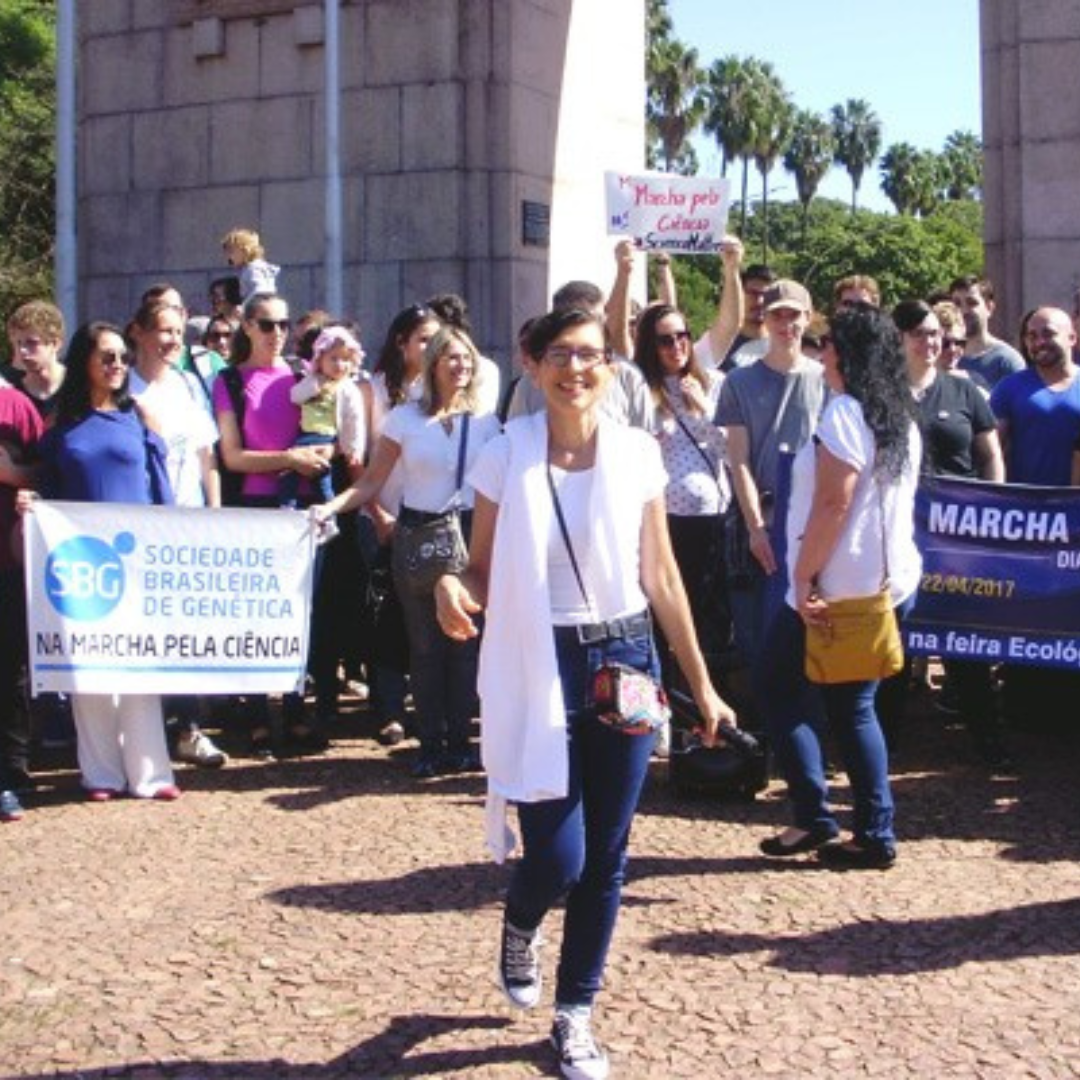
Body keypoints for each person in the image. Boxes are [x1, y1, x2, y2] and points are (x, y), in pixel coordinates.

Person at [434, 307, 736, 1080]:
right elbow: (479, 568)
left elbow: (661, 575)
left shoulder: (639, 452)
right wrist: (450, 585)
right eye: (562, 355)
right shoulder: (506, 455)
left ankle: (575, 1014)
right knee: (558, 854)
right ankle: (521, 919)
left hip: (625, 651)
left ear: (611, 367)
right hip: (539, 657)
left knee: (608, 854)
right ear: (533, 364)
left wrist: (702, 684)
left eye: (593, 355)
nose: (577, 369)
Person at [755, 304, 921, 870]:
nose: (821, 353)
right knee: (832, 698)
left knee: (826, 699)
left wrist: (802, 577)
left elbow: (834, 501)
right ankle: (825, 816)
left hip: (835, 584)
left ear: (845, 354)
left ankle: (864, 828)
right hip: (879, 580)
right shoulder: (898, 414)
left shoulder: (846, 414)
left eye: (828, 345)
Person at [319, 325, 500, 777]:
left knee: (463, 646)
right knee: (423, 647)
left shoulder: (486, 423)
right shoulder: (404, 420)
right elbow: (371, 481)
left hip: (467, 534)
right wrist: (329, 507)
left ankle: (461, 742)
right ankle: (430, 743)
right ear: (434, 363)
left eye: (467, 358)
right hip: (416, 536)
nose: (461, 366)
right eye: (451, 357)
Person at [34, 322, 180, 801]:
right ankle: (100, 772)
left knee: (139, 664)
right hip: (83, 562)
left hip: (136, 557)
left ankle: (151, 772)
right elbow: (49, 491)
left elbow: (161, 487)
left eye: (122, 357)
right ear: (85, 364)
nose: (118, 366)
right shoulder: (61, 427)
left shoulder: (138, 417)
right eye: (107, 357)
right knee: (90, 664)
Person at [212, 292, 335, 757]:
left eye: (285, 324)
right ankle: (260, 714)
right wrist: (288, 459)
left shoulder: (306, 377)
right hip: (255, 508)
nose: (277, 333)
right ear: (247, 326)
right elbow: (232, 455)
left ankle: (297, 708)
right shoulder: (230, 381)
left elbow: (329, 434)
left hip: (306, 510)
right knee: (256, 612)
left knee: (304, 611)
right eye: (267, 324)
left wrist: (317, 456)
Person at [890, 299, 1009, 766]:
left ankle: (988, 741)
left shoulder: (965, 392)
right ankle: (886, 743)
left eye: (935, 333)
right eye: (919, 333)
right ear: (900, 340)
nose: (930, 341)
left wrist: (992, 508)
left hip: (959, 541)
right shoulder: (884, 394)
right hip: (901, 538)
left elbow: (990, 453)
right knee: (897, 641)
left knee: (966, 644)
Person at [127, 297, 228, 769]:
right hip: (138, 525)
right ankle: (145, 731)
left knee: (184, 627)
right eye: (164, 331)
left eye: (179, 332)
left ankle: (187, 727)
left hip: (187, 524)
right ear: (140, 333)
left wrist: (214, 511)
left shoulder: (189, 384)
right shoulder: (123, 387)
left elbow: (208, 456)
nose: (173, 341)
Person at [717, 279, 825, 671]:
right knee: (758, 640)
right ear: (765, 319)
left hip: (813, 525)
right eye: (777, 314)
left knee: (811, 638)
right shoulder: (738, 382)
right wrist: (756, 527)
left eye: (793, 315)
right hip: (760, 522)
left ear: (807, 318)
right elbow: (738, 459)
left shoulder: (826, 379)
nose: (785, 324)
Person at [633, 302, 731, 665]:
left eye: (682, 336)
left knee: (705, 614)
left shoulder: (714, 384)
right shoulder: (643, 391)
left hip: (710, 518)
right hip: (662, 519)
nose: (676, 346)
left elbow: (732, 451)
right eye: (665, 341)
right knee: (663, 610)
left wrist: (703, 408)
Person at [0, 376, 44, 821]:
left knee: (9, 668)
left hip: (6, 561)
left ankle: (10, 774)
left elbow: (45, 472)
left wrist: (14, 476)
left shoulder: (15, 406)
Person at [279, 326, 366, 510]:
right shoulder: (312, 380)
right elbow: (294, 396)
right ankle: (287, 505)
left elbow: (355, 421)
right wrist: (315, 385)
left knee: (322, 479)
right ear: (320, 359)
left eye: (345, 360)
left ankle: (328, 511)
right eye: (333, 358)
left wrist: (355, 449)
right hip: (305, 436)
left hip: (327, 437)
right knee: (289, 472)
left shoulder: (348, 388)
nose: (339, 365)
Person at [950, 275, 1026, 389]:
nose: (963, 310)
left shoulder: (1006, 360)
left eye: (972, 303)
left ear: (989, 308)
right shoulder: (943, 356)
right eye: (957, 304)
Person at [4, 300, 67, 422]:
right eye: (18, 343)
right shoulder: (9, 392)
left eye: (32, 343)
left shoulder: (79, 385)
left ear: (55, 344)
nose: (22, 350)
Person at [221, 227, 280, 303]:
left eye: (231, 251)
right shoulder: (256, 267)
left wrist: (244, 307)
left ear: (245, 250)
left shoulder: (253, 268)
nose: (228, 256)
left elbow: (260, 289)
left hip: (260, 310)